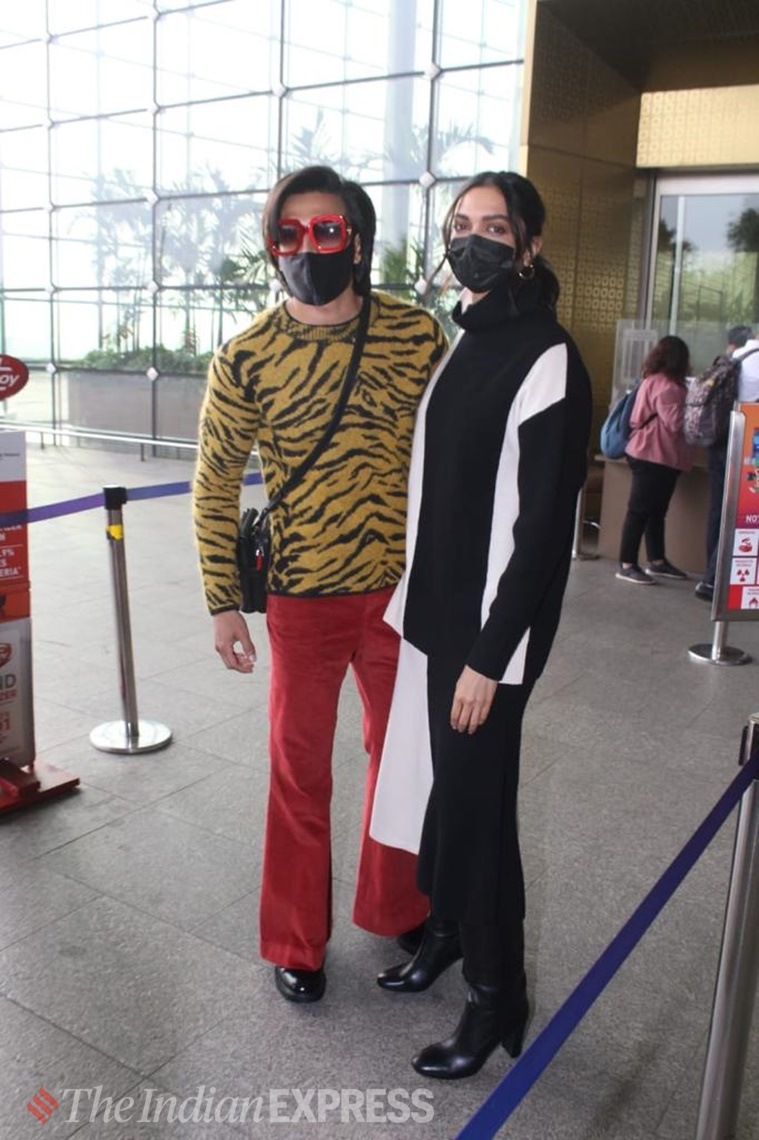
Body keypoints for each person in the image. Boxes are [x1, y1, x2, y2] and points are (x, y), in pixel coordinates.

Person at [192, 165, 447, 1004]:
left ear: (358, 238)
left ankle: (396, 902)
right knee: (298, 771)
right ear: (273, 249)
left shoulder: (416, 338)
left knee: (399, 756)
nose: (308, 247)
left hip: (402, 593)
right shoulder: (247, 356)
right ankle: (296, 940)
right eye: (289, 234)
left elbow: (456, 458)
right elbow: (214, 479)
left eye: (326, 230)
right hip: (302, 597)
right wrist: (223, 600)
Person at [370, 171, 592, 1080]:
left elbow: (540, 532)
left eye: (493, 227)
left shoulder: (546, 356)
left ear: (529, 245)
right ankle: (448, 935)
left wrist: (487, 660)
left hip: (487, 638)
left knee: (478, 810)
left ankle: (497, 995)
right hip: (436, 612)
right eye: (459, 224)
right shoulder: (465, 339)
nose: (472, 240)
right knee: (436, 791)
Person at [616, 335, 696, 585]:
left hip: (655, 454)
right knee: (640, 511)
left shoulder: (652, 379)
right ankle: (627, 563)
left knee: (655, 511)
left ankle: (657, 560)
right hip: (653, 454)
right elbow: (676, 423)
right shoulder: (668, 386)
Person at [696, 324, 756, 601]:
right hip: (749, 443)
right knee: (743, 511)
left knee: (719, 509)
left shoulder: (738, 357)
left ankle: (713, 574)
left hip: (721, 439)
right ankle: (715, 579)